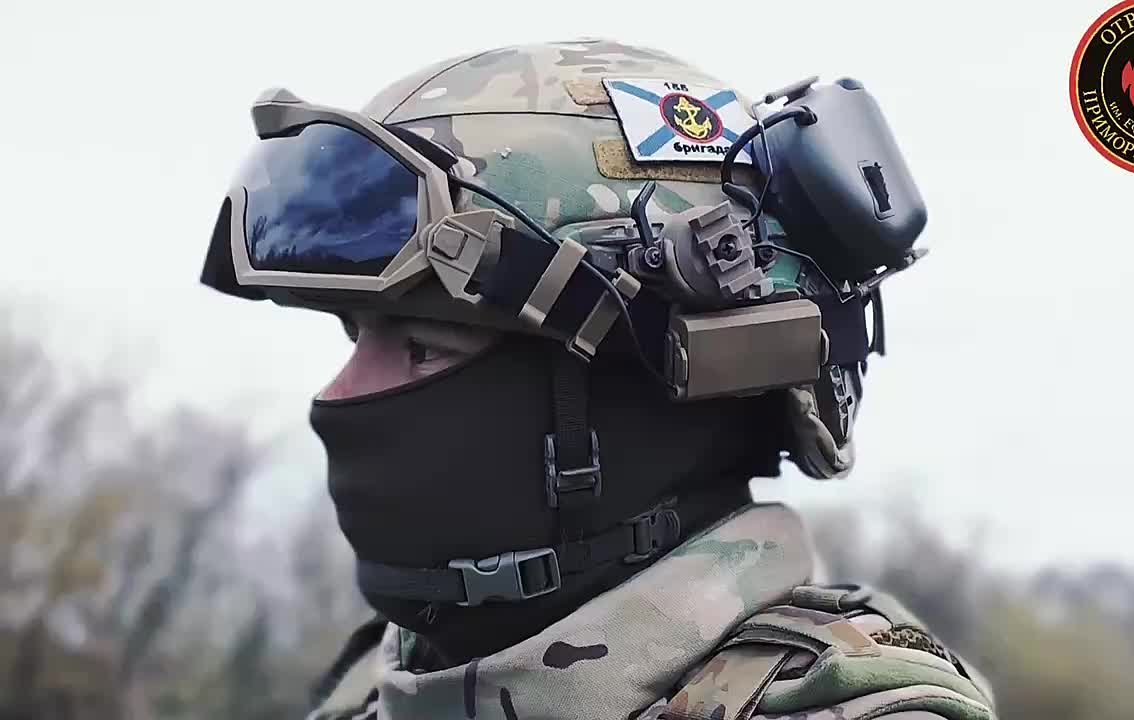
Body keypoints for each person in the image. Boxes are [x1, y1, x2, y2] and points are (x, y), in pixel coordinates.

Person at [200, 39, 997, 720]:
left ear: (650, 390)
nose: (338, 395)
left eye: (422, 346)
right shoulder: (372, 694)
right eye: (356, 333)